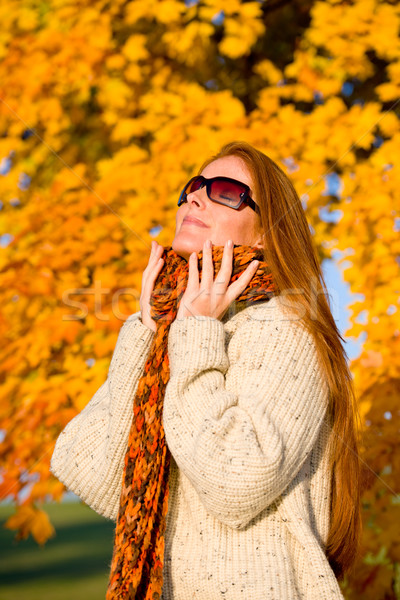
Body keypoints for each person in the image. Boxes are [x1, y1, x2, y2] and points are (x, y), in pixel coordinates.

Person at [50, 141, 364, 599]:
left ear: (264, 234)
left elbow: (235, 482)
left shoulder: (286, 328)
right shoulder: (175, 327)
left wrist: (195, 330)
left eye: (224, 190)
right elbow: (90, 472)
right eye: (194, 186)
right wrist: (147, 329)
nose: (195, 197)